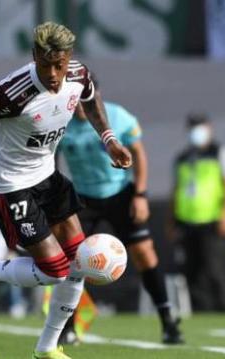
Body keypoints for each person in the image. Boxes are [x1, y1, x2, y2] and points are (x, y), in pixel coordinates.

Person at [0, 22, 132, 359]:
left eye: (58, 65)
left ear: (68, 59)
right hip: (9, 184)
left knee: (78, 264)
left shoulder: (78, 74)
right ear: (34, 57)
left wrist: (110, 140)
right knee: (54, 272)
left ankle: (47, 348)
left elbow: (91, 99)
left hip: (47, 176)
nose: (53, 73)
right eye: (45, 64)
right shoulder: (11, 93)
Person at [57, 100, 183, 344]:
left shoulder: (118, 116)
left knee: (144, 252)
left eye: (86, 100)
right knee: (70, 261)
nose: (80, 108)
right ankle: (68, 328)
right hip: (82, 198)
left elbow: (139, 153)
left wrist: (140, 195)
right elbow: (50, 160)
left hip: (120, 194)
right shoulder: (61, 121)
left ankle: (168, 321)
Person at [167, 114, 225, 311]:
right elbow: (175, 190)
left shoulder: (220, 152)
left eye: (199, 126)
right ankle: (202, 313)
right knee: (192, 271)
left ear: (209, 128)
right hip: (186, 220)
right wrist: (171, 221)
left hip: (212, 219)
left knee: (215, 269)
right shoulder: (181, 158)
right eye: (192, 127)